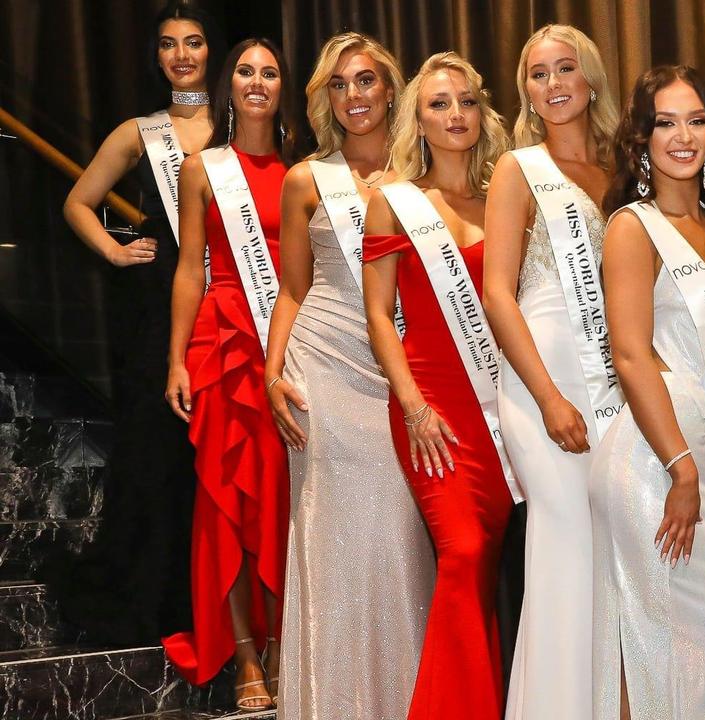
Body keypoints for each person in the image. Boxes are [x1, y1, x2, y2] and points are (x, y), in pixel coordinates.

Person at [590, 64, 705, 719]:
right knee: (657, 652)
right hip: (656, 466)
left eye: (695, 119)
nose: (682, 135)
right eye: (664, 122)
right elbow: (632, 354)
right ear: (640, 139)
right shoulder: (631, 228)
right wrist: (681, 468)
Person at [263, 32, 435, 719]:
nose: (354, 96)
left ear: (391, 89)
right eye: (340, 85)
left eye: (366, 81)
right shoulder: (307, 179)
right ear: (325, 99)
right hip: (324, 372)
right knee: (333, 542)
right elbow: (291, 291)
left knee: (398, 538)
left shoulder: (423, 174)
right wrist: (273, 373)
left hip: (403, 375)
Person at [46, 0, 223, 647]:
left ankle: (212, 596)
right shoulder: (137, 131)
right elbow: (78, 203)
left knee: (217, 457)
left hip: (230, 301)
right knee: (156, 454)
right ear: (157, 57)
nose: (182, 54)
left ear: (212, 51)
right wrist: (117, 251)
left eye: (195, 42)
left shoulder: (240, 123)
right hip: (159, 305)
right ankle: (150, 594)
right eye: (170, 44)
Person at [363, 51, 515, 719]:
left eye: (466, 102)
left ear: (482, 114)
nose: (456, 115)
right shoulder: (392, 201)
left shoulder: (505, 201)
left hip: (500, 409)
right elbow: (378, 313)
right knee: (464, 552)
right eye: (438, 104)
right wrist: (414, 405)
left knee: (482, 574)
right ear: (416, 120)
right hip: (431, 405)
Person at [482, 24, 620, 720]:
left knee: (614, 553)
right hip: (544, 379)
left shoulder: (622, 172)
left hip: (616, 378)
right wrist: (549, 398)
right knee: (565, 546)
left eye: (565, 69)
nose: (553, 84)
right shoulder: (517, 168)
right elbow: (496, 292)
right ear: (525, 92)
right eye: (538, 74)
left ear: (590, 78)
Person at [161, 37, 302, 711]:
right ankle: (247, 656)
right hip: (221, 350)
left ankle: (285, 648)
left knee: (283, 502)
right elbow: (191, 267)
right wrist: (175, 361)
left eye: (269, 72)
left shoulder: (305, 166)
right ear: (228, 84)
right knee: (230, 507)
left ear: (283, 87)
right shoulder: (201, 169)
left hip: (291, 347)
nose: (256, 81)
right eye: (245, 70)